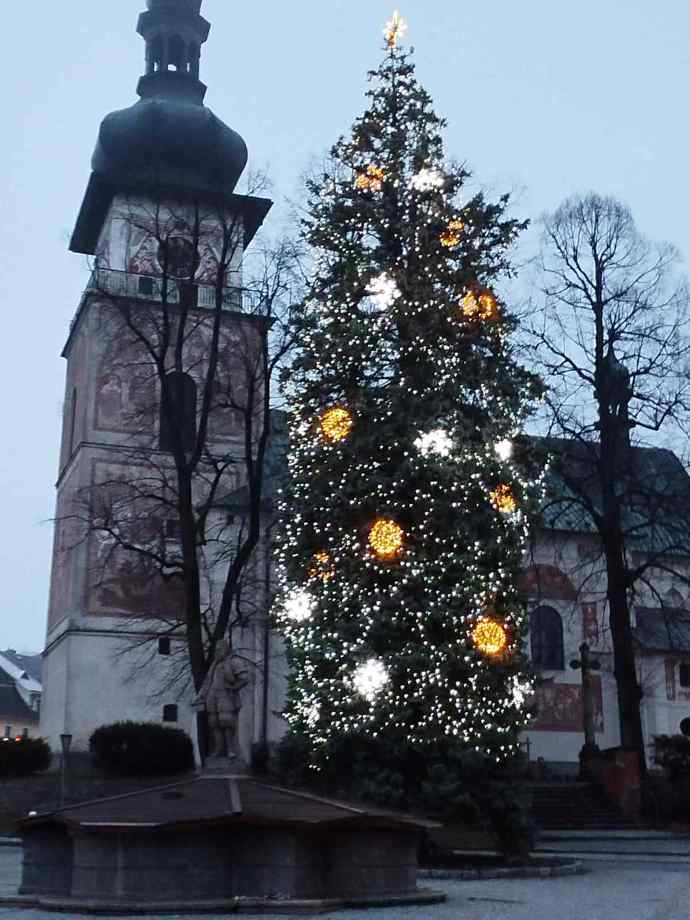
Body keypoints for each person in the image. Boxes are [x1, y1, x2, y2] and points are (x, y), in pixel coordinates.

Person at [199, 639, 247, 759]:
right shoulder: (214, 664)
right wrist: (202, 694)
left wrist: (234, 687)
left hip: (226, 695)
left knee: (227, 722)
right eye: (217, 649)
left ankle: (231, 749)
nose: (218, 651)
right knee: (214, 724)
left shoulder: (234, 661)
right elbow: (207, 681)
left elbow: (244, 678)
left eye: (220, 649)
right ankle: (219, 749)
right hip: (212, 695)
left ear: (226, 649)